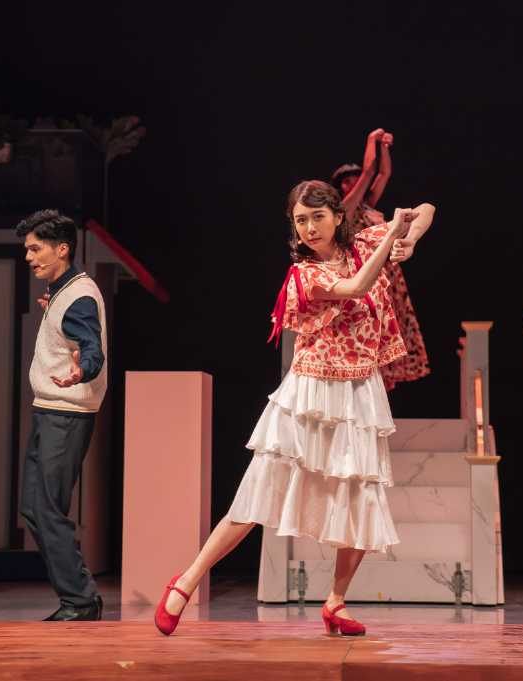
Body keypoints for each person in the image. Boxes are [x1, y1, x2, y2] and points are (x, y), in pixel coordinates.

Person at [153, 180, 435, 637]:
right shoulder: (304, 275)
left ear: (339, 217)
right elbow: (357, 286)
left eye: (317, 217)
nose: (309, 228)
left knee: (360, 497)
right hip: (310, 392)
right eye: (300, 220)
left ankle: (336, 602)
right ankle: (185, 581)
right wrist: (391, 238)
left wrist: (409, 236)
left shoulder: (364, 244)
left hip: (359, 390)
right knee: (257, 492)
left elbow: (426, 208)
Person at [17, 209, 108, 622]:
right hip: (48, 409)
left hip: (66, 412)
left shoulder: (78, 295)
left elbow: (91, 347)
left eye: (35, 249)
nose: (29, 257)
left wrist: (81, 371)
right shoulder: (63, 291)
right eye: (27, 249)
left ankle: (80, 600)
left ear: (62, 249)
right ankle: (78, 595)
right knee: (32, 507)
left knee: (49, 508)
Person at [331, 128, 429, 391]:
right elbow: (370, 171)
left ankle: (379, 385)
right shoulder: (345, 209)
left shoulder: (367, 205)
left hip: (387, 273)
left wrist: (384, 147)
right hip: (363, 273)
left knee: (388, 328)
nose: (353, 182)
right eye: (347, 180)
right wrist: (371, 140)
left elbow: (383, 174)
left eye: (354, 178)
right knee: (370, 328)